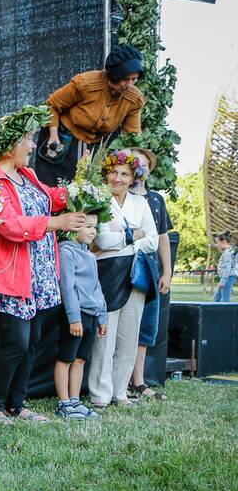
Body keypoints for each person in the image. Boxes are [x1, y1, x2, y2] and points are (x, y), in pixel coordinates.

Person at [0, 104, 84, 424]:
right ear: (11, 143)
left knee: (31, 342)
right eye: (29, 140)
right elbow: (10, 225)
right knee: (15, 342)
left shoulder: (28, 175)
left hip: (39, 273)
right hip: (10, 274)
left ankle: (17, 404)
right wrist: (57, 224)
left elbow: (51, 197)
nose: (34, 146)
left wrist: (80, 189)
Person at [88, 150, 158, 408]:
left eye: (124, 174)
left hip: (136, 272)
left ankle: (120, 392)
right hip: (108, 271)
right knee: (105, 334)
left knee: (129, 336)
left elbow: (152, 240)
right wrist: (133, 235)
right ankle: (100, 394)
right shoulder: (99, 200)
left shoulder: (141, 203)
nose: (117, 178)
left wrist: (125, 238)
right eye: (114, 172)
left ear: (132, 178)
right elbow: (102, 240)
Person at [35, 45, 145, 187]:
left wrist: (130, 159)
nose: (130, 84)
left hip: (95, 148)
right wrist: (53, 135)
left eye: (134, 79)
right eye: (126, 79)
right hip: (62, 140)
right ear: (115, 75)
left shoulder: (134, 99)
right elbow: (51, 105)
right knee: (55, 188)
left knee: (86, 192)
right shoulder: (86, 83)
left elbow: (132, 135)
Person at [127, 146, 173, 400]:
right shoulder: (121, 195)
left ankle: (139, 381)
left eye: (144, 163)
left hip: (150, 269)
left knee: (145, 328)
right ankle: (119, 381)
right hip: (125, 267)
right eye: (135, 162)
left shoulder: (156, 200)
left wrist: (166, 272)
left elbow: (163, 237)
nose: (139, 167)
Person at [55, 213, 108, 420]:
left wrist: (102, 317)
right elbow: (67, 287)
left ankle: (75, 401)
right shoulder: (66, 252)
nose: (92, 231)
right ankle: (64, 402)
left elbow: (97, 288)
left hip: (92, 315)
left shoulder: (90, 256)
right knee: (66, 358)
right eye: (87, 226)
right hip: (76, 316)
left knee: (80, 360)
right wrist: (73, 318)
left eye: (94, 227)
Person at [214, 232, 236, 302]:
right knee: (217, 298)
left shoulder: (227, 253)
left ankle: (226, 312)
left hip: (227, 277)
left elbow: (227, 268)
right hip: (227, 278)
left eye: (218, 242)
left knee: (225, 301)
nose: (217, 245)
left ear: (223, 241)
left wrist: (223, 281)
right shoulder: (232, 251)